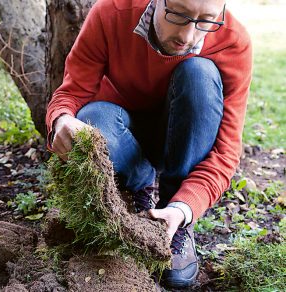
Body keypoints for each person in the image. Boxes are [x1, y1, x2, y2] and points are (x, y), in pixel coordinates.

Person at [46, 0, 252, 288]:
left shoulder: (233, 42)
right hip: (122, 133)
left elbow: (226, 151)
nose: (188, 36)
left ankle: (173, 217)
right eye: (178, 14)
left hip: (183, 136)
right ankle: (138, 189)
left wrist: (185, 207)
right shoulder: (111, 12)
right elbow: (72, 92)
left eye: (207, 20)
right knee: (92, 117)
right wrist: (61, 119)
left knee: (199, 74)